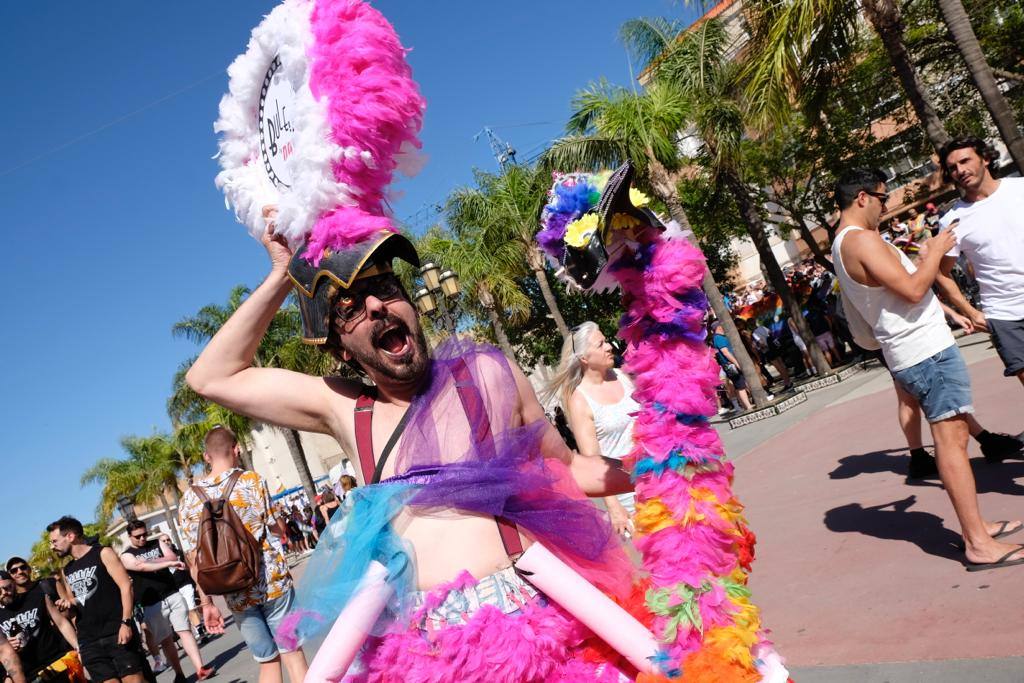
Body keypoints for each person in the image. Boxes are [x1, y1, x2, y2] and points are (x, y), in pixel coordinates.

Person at [184, 210, 638, 679]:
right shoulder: (345, 408)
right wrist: (283, 272)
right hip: (424, 655)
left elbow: (566, 468)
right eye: (350, 308)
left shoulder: (486, 373)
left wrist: (659, 467)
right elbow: (211, 376)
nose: (377, 307)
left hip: (529, 628)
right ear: (341, 348)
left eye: (385, 290)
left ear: (410, 303)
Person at [831, 168, 1024, 571]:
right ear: (862, 197)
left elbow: (896, 296)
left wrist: (946, 304)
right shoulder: (862, 240)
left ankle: (979, 528)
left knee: (952, 436)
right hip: (924, 353)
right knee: (952, 441)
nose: (886, 207)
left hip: (914, 350)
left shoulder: (843, 244)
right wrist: (934, 252)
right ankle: (977, 543)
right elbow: (915, 289)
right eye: (883, 198)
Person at [177, 427, 308, 683]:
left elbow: (196, 561)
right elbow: (277, 528)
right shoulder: (252, 481)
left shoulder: (189, 499)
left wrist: (207, 604)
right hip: (272, 582)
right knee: (293, 655)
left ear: (206, 456)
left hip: (234, 591)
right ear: (236, 449)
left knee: (268, 663)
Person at [934, 136, 1024, 393]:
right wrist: (971, 312)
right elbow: (942, 273)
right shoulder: (952, 219)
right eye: (952, 167)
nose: (960, 170)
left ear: (985, 158)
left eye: (965, 161)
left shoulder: (1020, 189)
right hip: (1004, 316)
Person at [544, 321, 640, 537]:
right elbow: (594, 461)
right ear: (585, 358)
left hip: (659, 477)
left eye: (606, 341)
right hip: (628, 492)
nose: (609, 347)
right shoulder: (579, 399)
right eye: (601, 344)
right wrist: (614, 508)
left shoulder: (625, 377)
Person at [47, 516, 150, 682]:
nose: (52, 547)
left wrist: (126, 622)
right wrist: (67, 605)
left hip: (116, 631)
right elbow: (74, 601)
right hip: (90, 642)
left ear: (70, 537)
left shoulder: (103, 553)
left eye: (55, 541)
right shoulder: (67, 570)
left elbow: (126, 586)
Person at [119, 521, 213, 683]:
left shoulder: (157, 543)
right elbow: (139, 566)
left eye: (144, 534)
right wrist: (166, 562)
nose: (142, 538)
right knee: (166, 639)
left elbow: (172, 556)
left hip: (172, 594)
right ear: (129, 537)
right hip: (151, 603)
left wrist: (157, 561)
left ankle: (200, 669)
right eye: (138, 536)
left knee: (185, 631)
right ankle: (179, 674)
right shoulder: (126, 554)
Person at [0, 570, 83, 682]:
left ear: (14, 583)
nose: (4, 592)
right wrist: (7, 646)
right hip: (29, 674)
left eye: (7, 587)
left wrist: (79, 648)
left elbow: (61, 623)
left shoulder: (37, 596)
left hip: (56, 664)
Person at [708, 322, 754, 411]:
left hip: (728, 365)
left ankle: (745, 406)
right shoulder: (719, 338)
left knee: (738, 386)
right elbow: (725, 352)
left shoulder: (718, 337)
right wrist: (736, 363)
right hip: (730, 365)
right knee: (740, 386)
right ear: (719, 327)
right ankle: (748, 406)